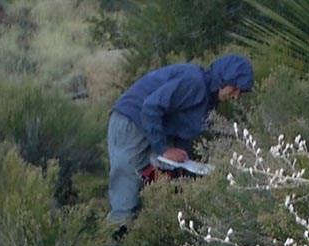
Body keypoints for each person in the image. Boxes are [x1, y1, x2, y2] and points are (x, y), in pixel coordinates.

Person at [106, 53, 254, 224]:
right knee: (127, 187)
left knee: (155, 182)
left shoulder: (209, 98)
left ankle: (140, 234)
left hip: (152, 126)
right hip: (131, 121)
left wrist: (185, 159)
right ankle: (115, 239)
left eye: (240, 92)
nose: (236, 96)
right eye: (235, 88)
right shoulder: (195, 82)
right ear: (224, 78)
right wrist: (164, 149)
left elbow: (183, 130)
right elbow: (151, 107)